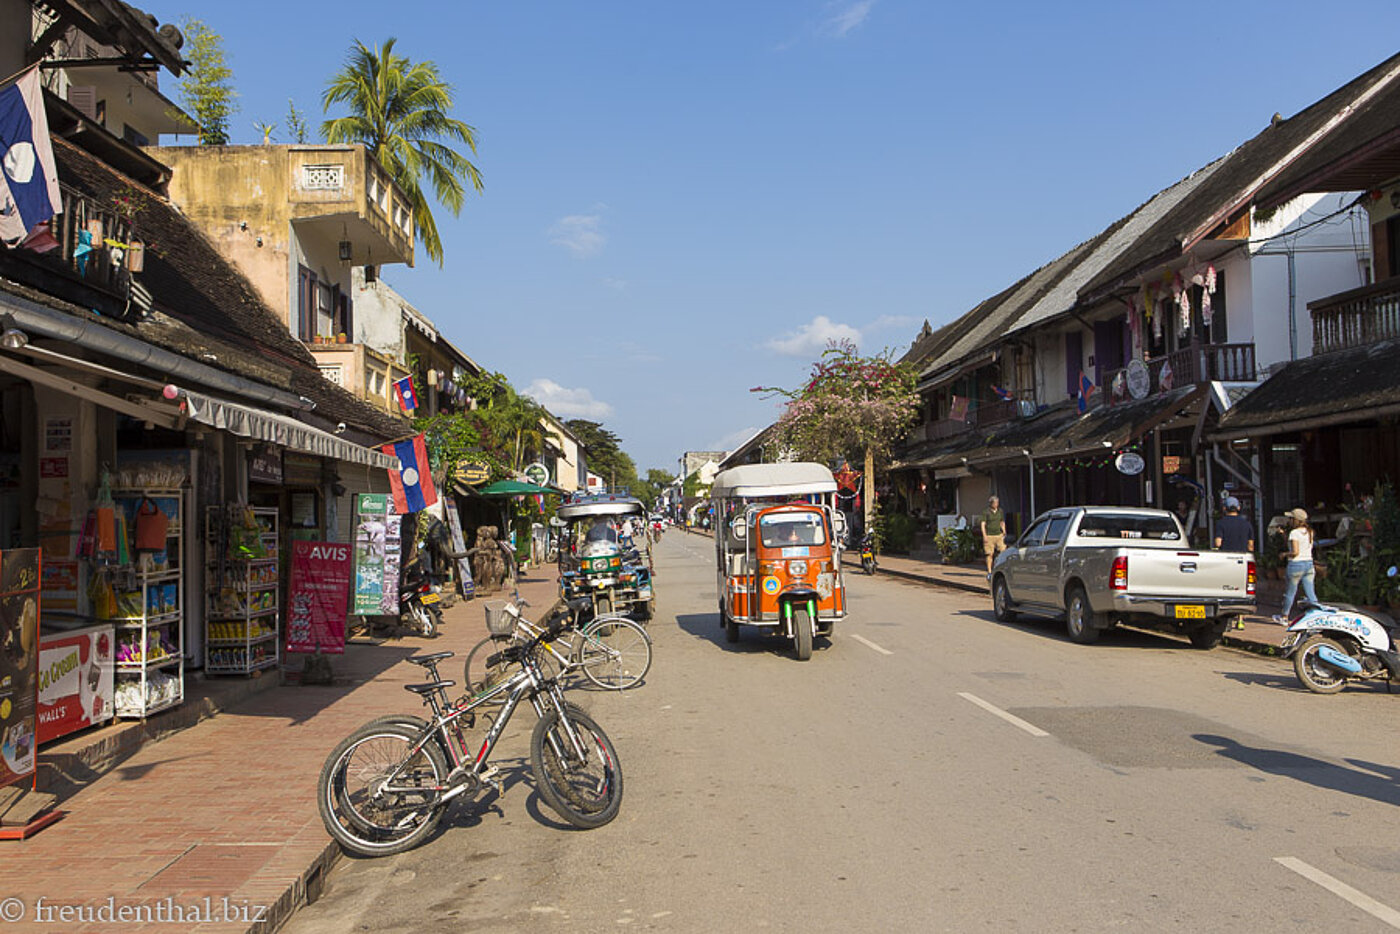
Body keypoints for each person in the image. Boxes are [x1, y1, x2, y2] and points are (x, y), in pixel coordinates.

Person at [1274, 507, 1318, 623]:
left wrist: (1284, 554)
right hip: (1309, 564)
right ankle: (1317, 615)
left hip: (1296, 565)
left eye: (1291, 518)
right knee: (1310, 592)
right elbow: (1295, 544)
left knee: (1290, 593)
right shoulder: (1309, 532)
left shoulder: (1294, 533)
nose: (1289, 520)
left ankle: (1284, 616)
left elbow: (1295, 552)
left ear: (1295, 520)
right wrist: (1284, 535)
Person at [980, 496, 1007, 574]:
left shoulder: (1000, 511)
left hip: (999, 535)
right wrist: (984, 535)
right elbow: (983, 524)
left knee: (1002, 552)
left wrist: (1004, 530)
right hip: (989, 535)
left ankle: (1000, 568)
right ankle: (989, 571)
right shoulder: (986, 512)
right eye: (994, 503)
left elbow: (1002, 522)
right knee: (989, 554)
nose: (996, 504)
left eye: (997, 503)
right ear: (991, 503)